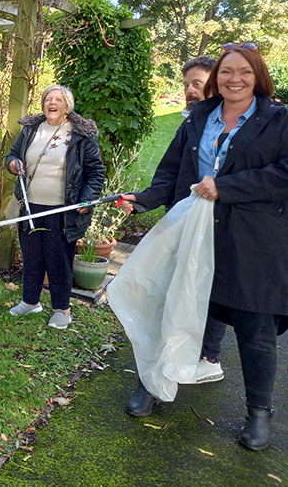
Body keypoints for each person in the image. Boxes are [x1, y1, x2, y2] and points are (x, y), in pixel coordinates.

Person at [118, 43, 288, 451]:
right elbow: (173, 171)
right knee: (171, 309)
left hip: (253, 242)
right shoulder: (198, 117)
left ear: (257, 76)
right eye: (227, 72)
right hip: (193, 236)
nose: (235, 79)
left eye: (244, 72)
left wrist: (225, 187)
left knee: (256, 327)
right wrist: (143, 198)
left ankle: (259, 413)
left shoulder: (279, 120)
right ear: (216, 78)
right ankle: (153, 384)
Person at [4, 85, 105, 330]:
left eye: (58, 99)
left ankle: (62, 309)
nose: (52, 103)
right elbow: (12, 155)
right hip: (30, 206)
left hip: (62, 210)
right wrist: (13, 164)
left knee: (58, 259)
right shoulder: (31, 129)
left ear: (67, 106)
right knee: (32, 256)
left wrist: (86, 199)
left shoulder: (81, 135)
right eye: (48, 99)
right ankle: (30, 301)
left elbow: (95, 173)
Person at [179, 56, 228, 384]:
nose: (190, 90)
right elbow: (173, 171)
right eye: (186, 85)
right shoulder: (192, 121)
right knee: (189, 284)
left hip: (227, 220)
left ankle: (210, 356)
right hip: (190, 216)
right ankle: (185, 349)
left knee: (215, 287)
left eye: (197, 84)